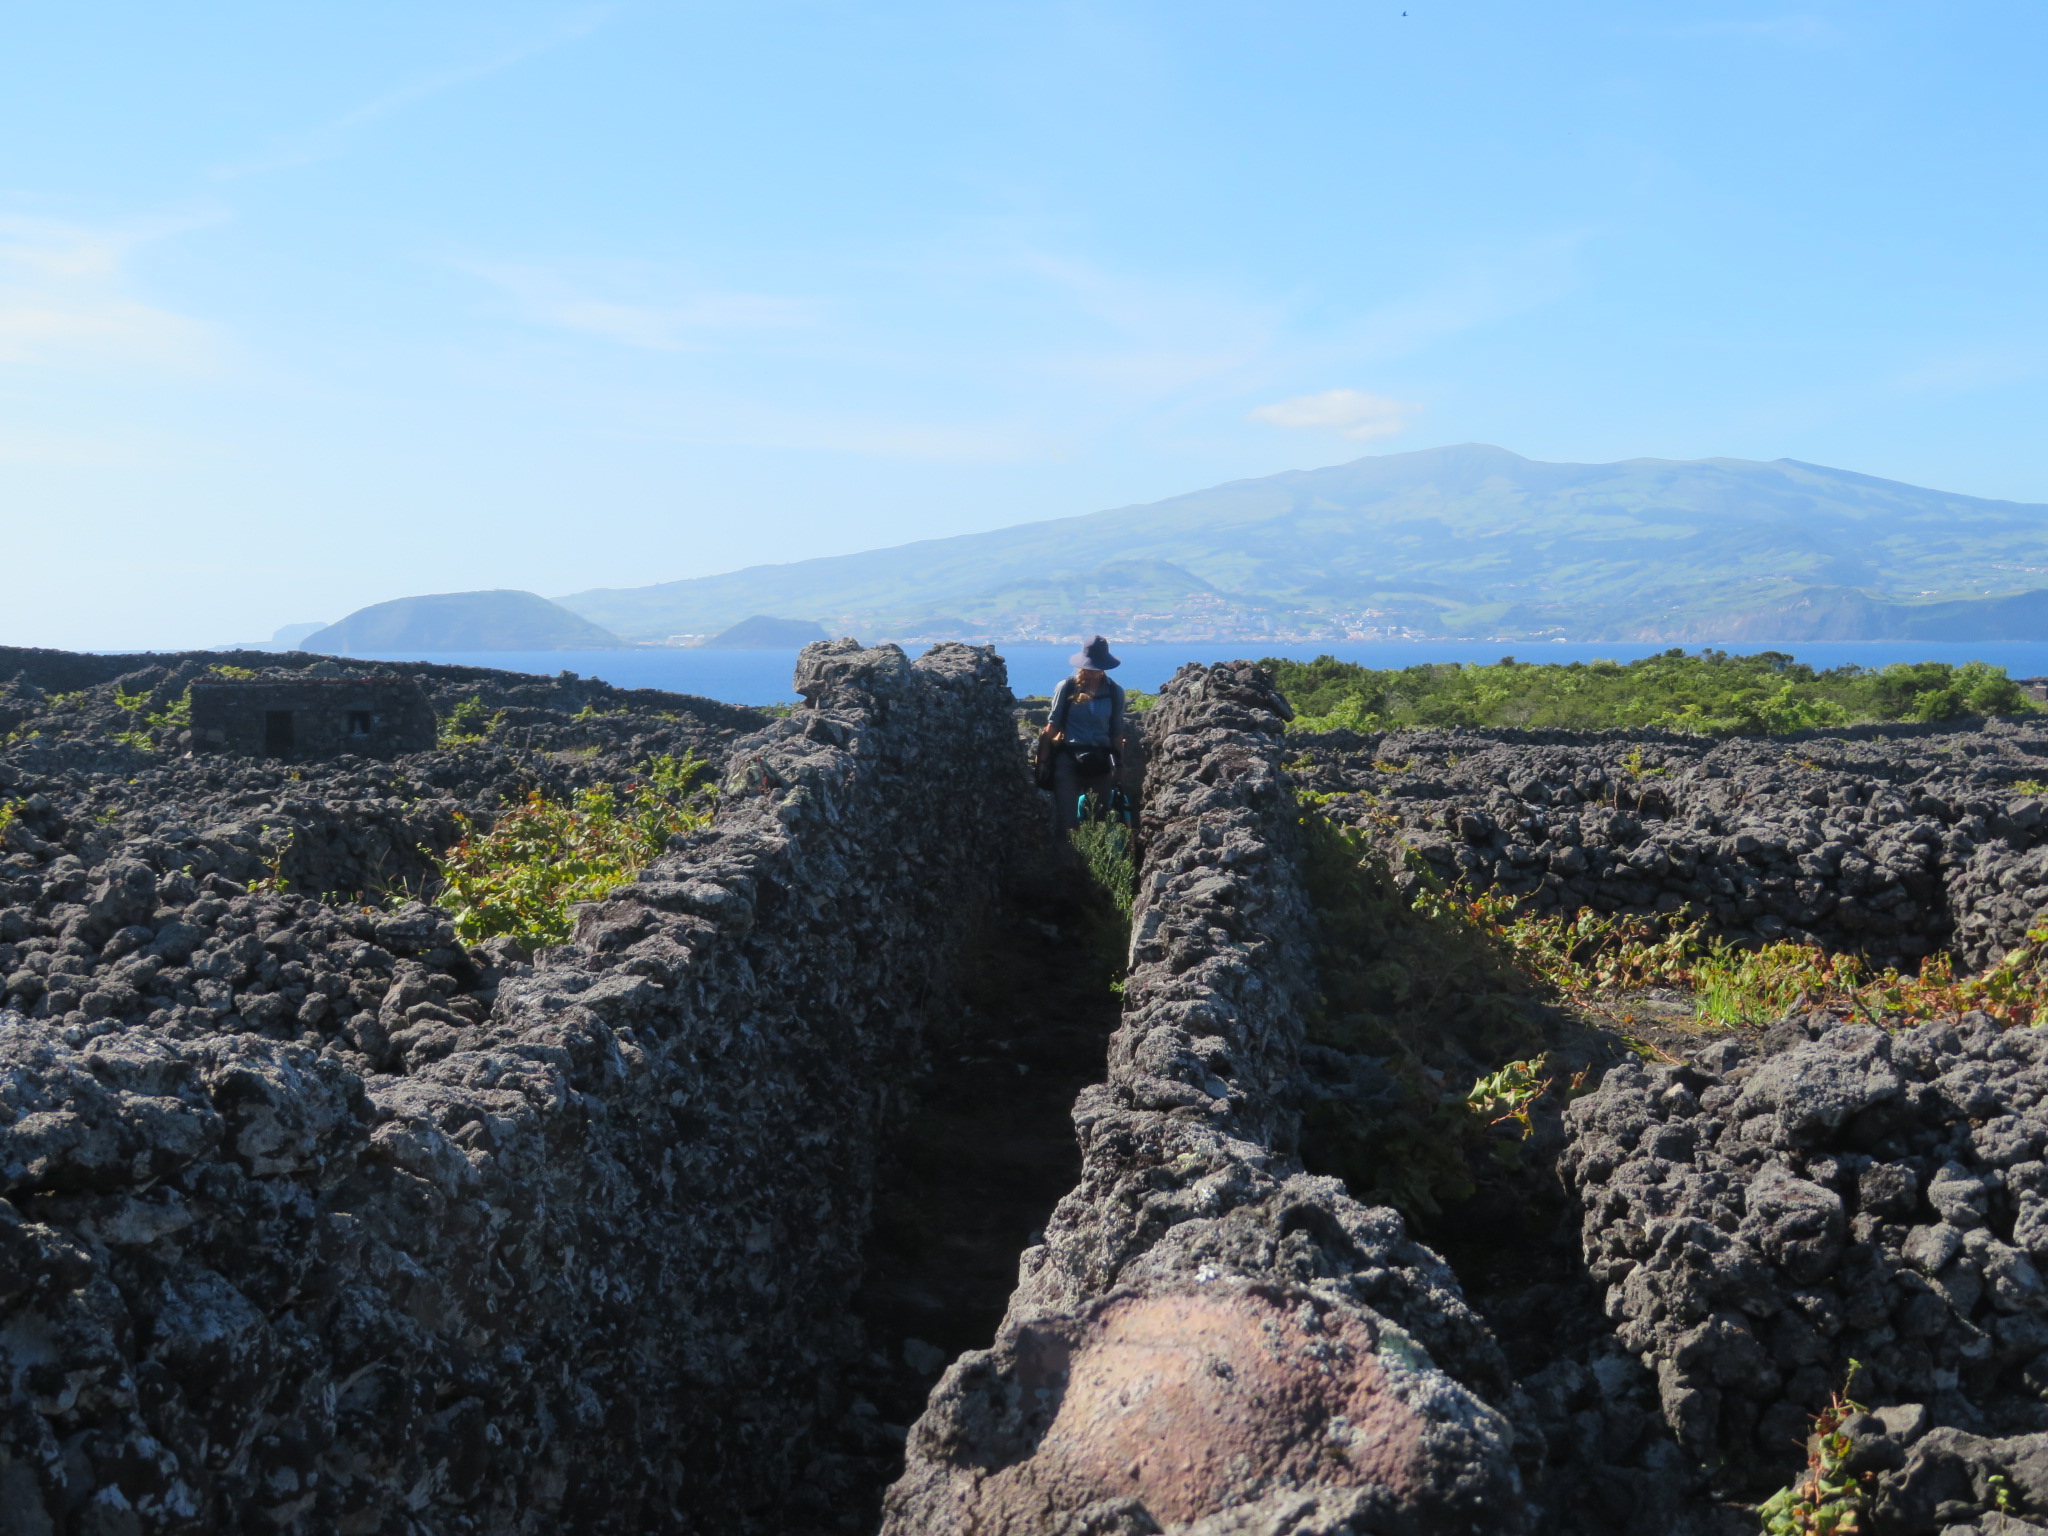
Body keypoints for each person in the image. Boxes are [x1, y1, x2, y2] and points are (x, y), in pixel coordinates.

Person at [1041, 635, 1127, 836]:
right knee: (1067, 825)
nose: (1093, 672)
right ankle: (1068, 865)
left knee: (1099, 822)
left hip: (1101, 762)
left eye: (1097, 668)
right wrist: (1043, 762)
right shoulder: (1067, 687)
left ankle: (1092, 866)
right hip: (1068, 759)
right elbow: (1052, 725)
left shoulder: (1115, 692)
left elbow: (1116, 732)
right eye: (1090, 667)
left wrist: (1120, 766)